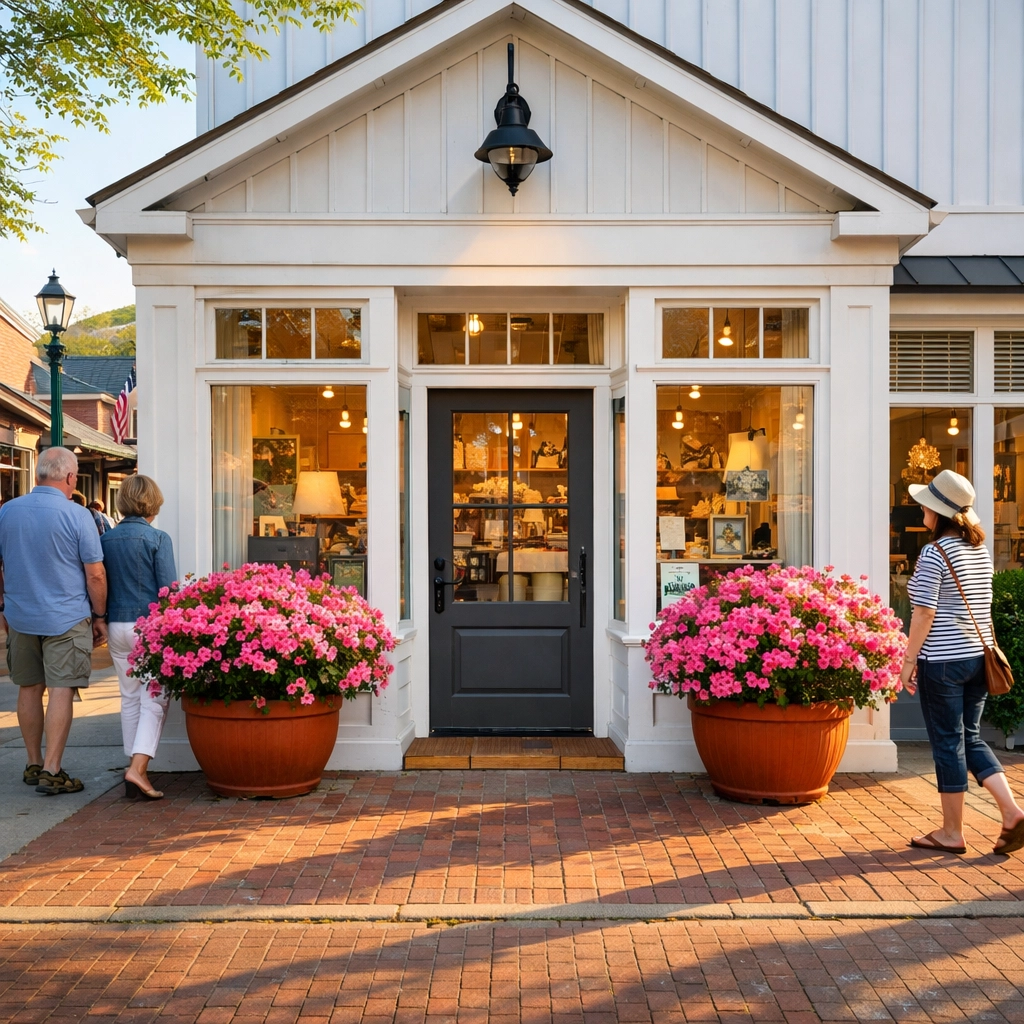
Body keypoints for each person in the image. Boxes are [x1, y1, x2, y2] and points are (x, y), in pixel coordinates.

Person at [901, 469, 1024, 856]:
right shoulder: (978, 550)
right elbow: (981, 607)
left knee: (948, 744)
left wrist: (908, 661)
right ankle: (1011, 811)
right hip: (977, 655)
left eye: (926, 503)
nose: (921, 507)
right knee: (969, 737)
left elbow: (924, 613)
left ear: (939, 512)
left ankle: (952, 833)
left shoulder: (934, 552)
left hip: (944, 662)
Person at [0, 447, 107, 795]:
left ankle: (32, 762)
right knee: (62, 690)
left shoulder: (7, 512)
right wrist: (100, 616)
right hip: (66, 617)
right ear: (71, 478)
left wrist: (2, 606)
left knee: (28, 688)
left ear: (39, 474)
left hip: (19, 616)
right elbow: (95, 575)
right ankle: (52, 769)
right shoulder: (78, 516)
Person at [101, 475, 176, 800]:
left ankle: (134, 769)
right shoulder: (158, 538)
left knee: (129, 696)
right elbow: (169, 591)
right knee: (155, 699)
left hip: (116, 624)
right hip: (149, 627)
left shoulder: (106, 539)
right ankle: (138, 767)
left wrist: (99, 620)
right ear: (153, 502)